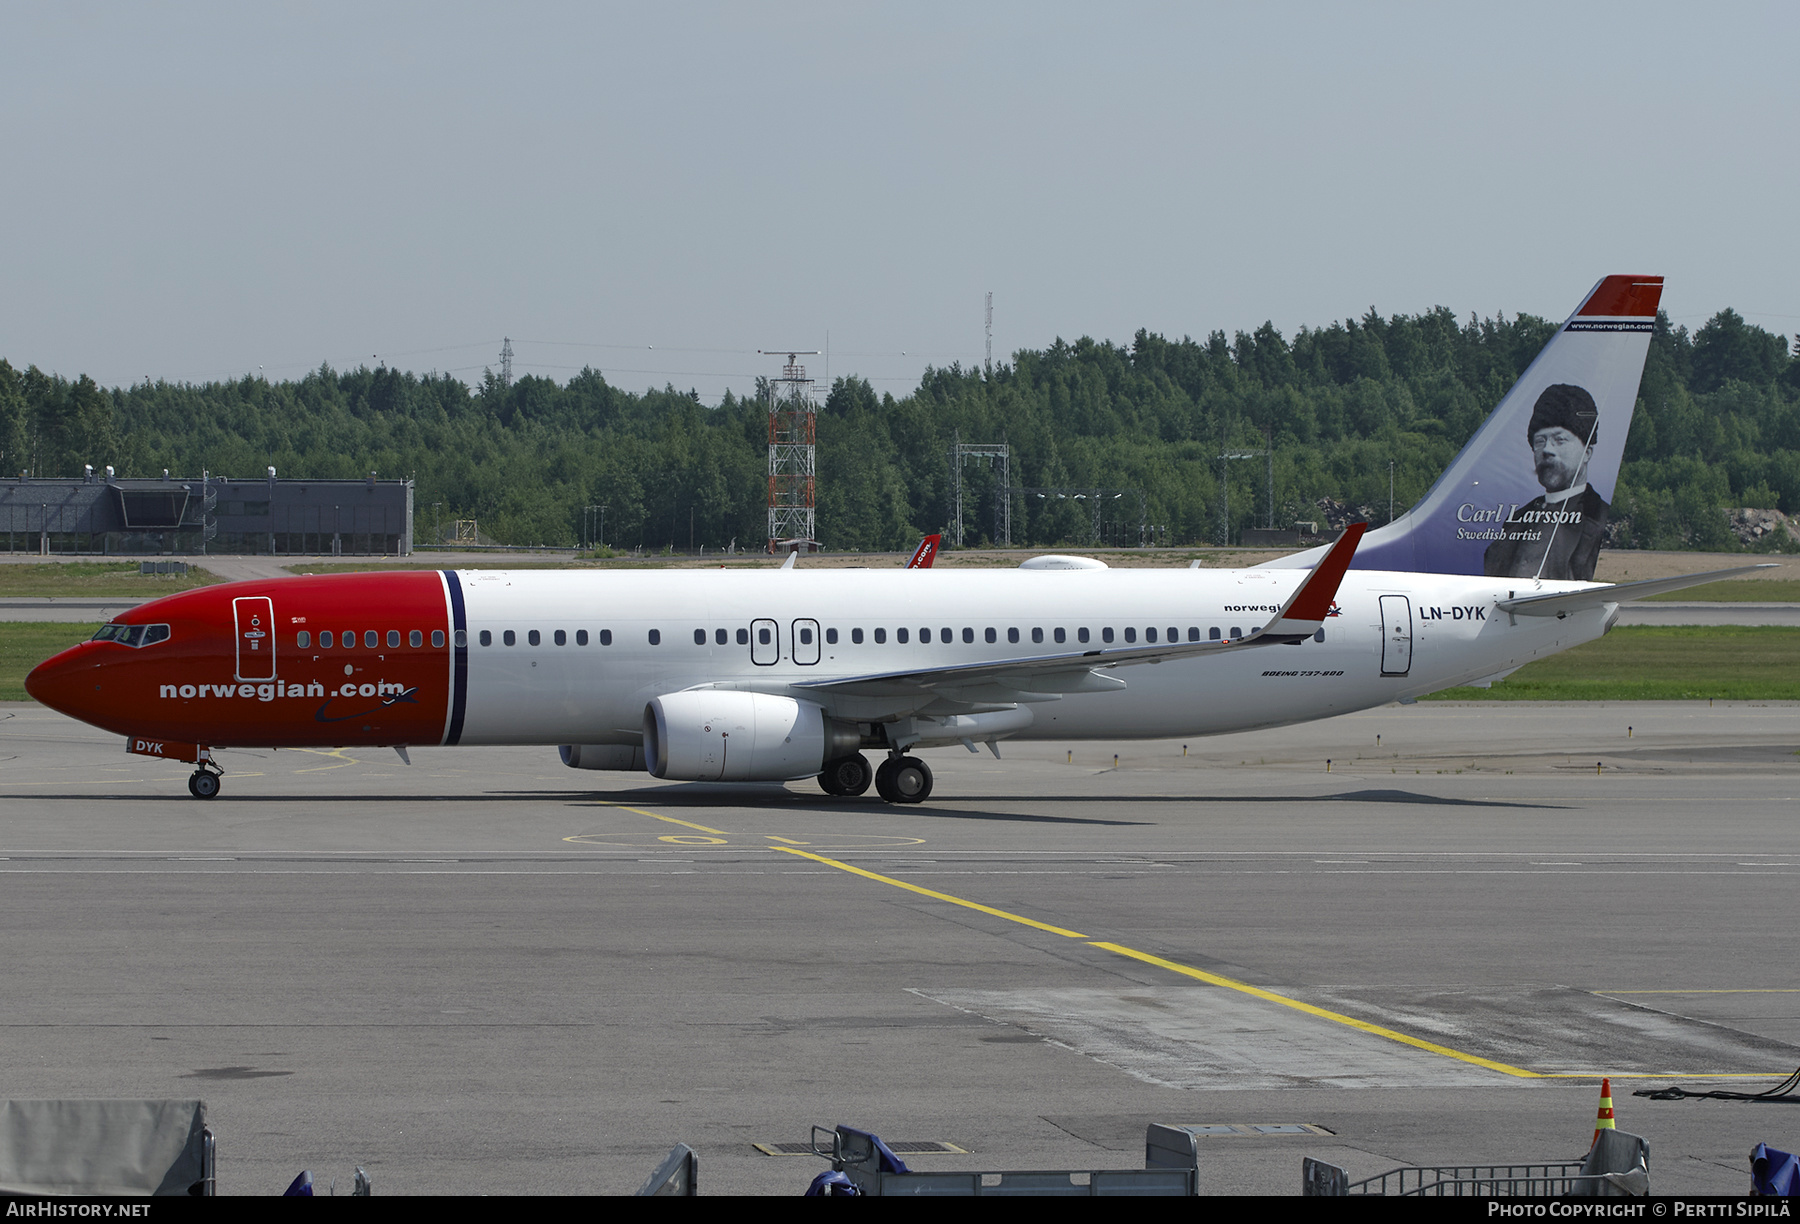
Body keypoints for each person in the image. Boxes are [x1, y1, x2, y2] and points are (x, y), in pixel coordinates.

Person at [1483, 384, 1609, 582]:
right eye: (1540, 441)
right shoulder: (1516, 519)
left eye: (1560, 440)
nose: (1547, 450)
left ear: (1587, 453)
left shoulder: (1599, 518)